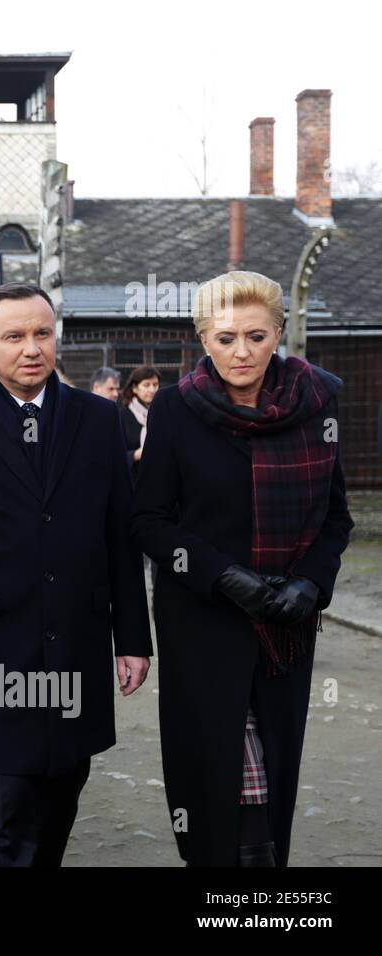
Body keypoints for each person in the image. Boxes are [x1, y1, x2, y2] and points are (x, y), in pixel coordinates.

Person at [0, 283, 153, 867]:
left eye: (41, 334)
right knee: (0, 807)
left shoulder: (98, 422)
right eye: (15, 336)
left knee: (60, 791)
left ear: (56, 339)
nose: (30, 348)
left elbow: (121, 536)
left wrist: (134, 639)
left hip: (76, 642)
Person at [131, 271, 353, 867]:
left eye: (256, 336)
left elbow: (335, 517)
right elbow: (149, 519)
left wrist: (311, 583)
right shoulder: (176, 408)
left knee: (272, 768)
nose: (242, 351)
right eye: (225, 338)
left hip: (287, 621)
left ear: (278, 332)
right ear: (204, 338)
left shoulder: (318, 400)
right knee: (216, 769)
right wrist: (224, 576)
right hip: (204, 621)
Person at [120, 365, 160, 484]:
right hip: (131, 482)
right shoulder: (122, 415)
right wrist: (135, 455)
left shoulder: (162, 413)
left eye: (155, 384)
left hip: (158, 480)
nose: (152, 390)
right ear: (134, 388)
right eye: (146, 385)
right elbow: (114, 454)